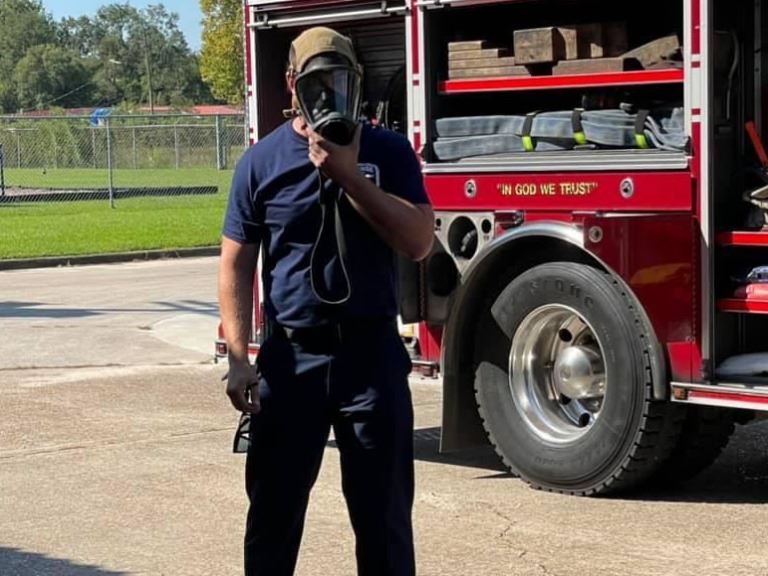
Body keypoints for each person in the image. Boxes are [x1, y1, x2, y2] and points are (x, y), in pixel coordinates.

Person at [218, 26, 434, 576]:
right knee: (273, 516)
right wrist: (240, 358)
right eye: (316, 82)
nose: (328, 94)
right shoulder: (261, 162)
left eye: (340, 80)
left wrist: (349, 175)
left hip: (371, 359)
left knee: (383, 522)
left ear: (357, 84)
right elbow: (236, 262)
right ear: (292, 84)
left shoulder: (387, 151)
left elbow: (418, 241)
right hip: (292, 363)